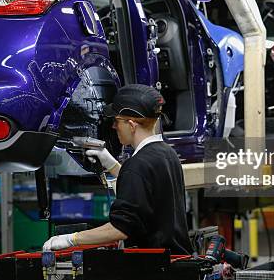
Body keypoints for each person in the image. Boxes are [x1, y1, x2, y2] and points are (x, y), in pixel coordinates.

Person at [43, 84, 192, 254]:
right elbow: (142, 190)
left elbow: (120, 229)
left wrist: (71, 239)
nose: (113, 127)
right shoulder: (167, 154)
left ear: (131, 124)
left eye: (116, 121)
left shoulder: (138, 165)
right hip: (175, 263)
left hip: (153, 270)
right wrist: (111, 164)